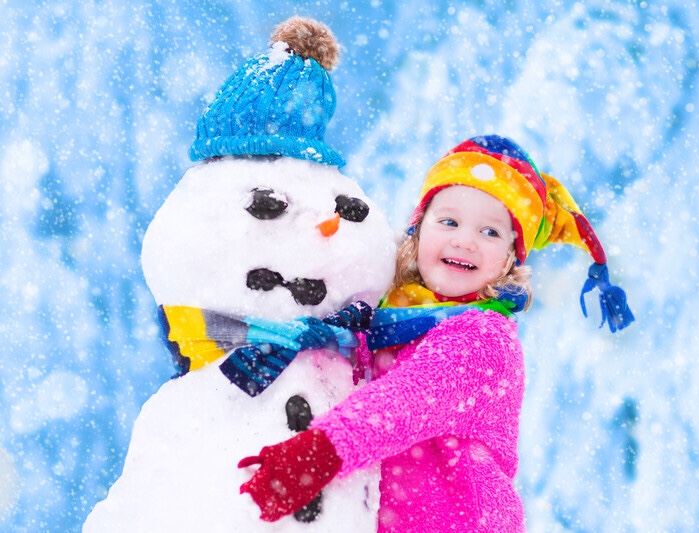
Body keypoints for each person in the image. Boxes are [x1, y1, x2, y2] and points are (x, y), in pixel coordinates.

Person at [236, 134, 634, 532]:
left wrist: (316, 455)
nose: (465, 240)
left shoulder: (483, 336)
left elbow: (405, 403)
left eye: (491, 232)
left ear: (510, 259)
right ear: (418, 229)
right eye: (449, 221)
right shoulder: (393, 320)